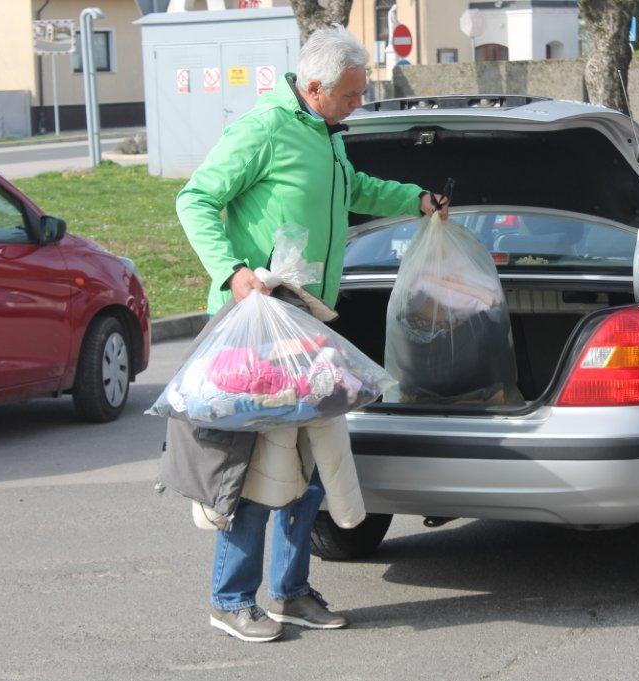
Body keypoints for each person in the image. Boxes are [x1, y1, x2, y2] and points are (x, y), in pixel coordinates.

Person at [175, 24, 448, 643]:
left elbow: (355, 190)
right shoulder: (264, 129)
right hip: (256, 324)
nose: (358, 103)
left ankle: (291, 591)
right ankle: (230, 599)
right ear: (315, 87)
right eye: (350, 94)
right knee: (253, 467)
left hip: (306, 323)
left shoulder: (326, 134)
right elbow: (195, 199)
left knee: (309, 459)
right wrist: (232, 271)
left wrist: (416, 200)